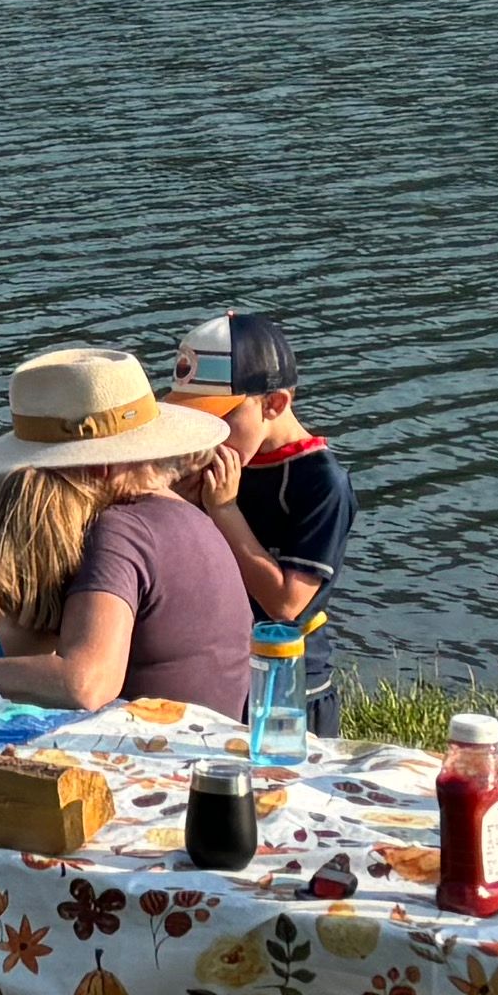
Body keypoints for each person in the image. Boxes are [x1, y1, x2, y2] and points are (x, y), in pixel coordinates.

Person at [0, 343, 258, 713]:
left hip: (149, 758)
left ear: (99, 465)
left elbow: (85, 683)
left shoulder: (122, 531)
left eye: (50, 471)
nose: (46, 484)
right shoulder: (191, 517)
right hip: (203, 744)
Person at [165, 306, 354, 732]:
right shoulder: (228, 458)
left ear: (274, 403)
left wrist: (225, 512)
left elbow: (287, 604)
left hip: (288, 685)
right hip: (220, 665)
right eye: (194, 418)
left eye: (219, 418)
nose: (207, 434)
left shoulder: (322, 483)